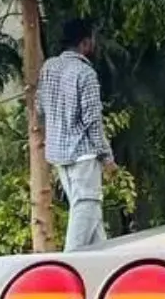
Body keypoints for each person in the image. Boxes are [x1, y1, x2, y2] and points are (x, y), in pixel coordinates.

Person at [36, 19, 114, 251]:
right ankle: (69, 263)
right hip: (83, 155)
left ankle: (102, 262)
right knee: (86, 207)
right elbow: (92, 120)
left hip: (59, 154)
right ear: (85, 43)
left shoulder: (49, 67)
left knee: (90, 215)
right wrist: (107, 157)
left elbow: (40, 107)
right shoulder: (85, 72)